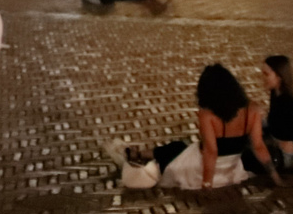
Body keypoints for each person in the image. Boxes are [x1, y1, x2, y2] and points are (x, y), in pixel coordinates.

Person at [116, 64, 280, 191]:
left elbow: (211, 151)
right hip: (232, 169)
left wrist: (207, 183)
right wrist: (275, 176)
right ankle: (141, 154)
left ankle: (140, 155)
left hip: (202, 170)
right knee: (179, 148)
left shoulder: (207, 115)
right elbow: (258, 146)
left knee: (175, 149)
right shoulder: (252, 110)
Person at [260, 56, 293, 171]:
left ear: (279, 76)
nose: (263, 78)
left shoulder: (287, 101)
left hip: (283, 156)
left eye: (266, 74)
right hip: (277, 142)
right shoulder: (275, 92)